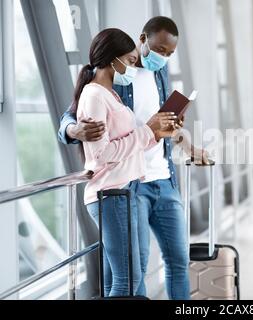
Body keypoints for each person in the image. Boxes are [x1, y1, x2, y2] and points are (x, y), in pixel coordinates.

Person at [58, 17, 208, 300]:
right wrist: (73, 129)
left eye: (170, 54)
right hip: (127, 185)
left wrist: (183, 141)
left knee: (176, 259)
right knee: (131, 273)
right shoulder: (109, 81)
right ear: (143, 40)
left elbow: (158, 127)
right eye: (160, 50)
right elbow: (75, 114)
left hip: (162, 177)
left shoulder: (158, 74)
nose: (163, 58)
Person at [71, 27, 177, 297]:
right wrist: (147, 130)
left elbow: (129, 143)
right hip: (111, 194)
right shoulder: (94, 95)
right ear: (112, 59)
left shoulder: (111, 94)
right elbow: (103, 153)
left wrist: (155, 133)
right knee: (127, 279)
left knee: (123, 278)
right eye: (130, 61)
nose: (133, 68)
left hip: (123, 191)